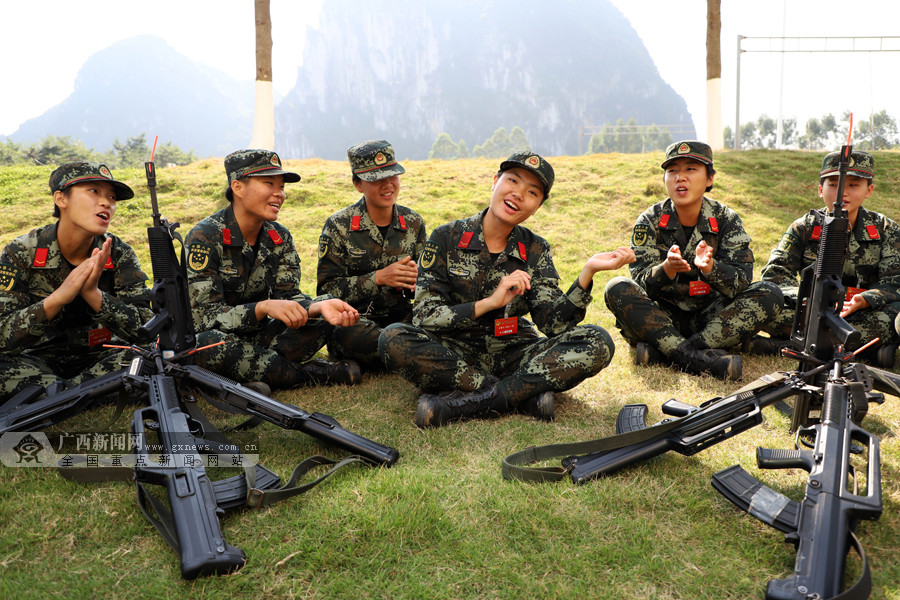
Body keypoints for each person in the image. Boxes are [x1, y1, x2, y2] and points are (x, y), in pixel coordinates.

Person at [379, 152, 634, 427]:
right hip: (453, 351)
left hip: (515, 352)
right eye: (512, 180)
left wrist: (587, 273)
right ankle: (520, 395)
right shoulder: (445, 237)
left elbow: (553, 324)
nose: (518, 194)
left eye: (532, 192)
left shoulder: (536, 249)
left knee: (597, 340)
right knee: (393, 338)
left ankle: (476, 399)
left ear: (538, 205)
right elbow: (426, 316)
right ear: (495, 181)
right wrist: (490, 302)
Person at [184, 149, 362, 392]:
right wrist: (262, 307)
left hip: (262, 340)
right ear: (237, 187)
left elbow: (288, 298)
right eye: (269, 183)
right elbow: (203, 318)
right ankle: (311, 375)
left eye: (281, 186)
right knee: (206, 345)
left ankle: (255, 373)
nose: (280, 194)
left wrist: (318, 306)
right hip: (222, 339)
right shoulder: (204, 237)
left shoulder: (279, 236)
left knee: (321, 322)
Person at [604, 140, 782, 381]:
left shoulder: (727, 219)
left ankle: (669, 353)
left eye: (690, 169)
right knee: (617, 287)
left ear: (709, 179)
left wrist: (712, 268)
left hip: (711, 320)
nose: (680, 178)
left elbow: (741, 283)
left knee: (769, 292)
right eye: (672, 171)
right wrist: (666, 269)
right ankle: (698, 358)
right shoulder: (649, 220)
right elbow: (640, 284)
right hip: (662, 319)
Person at [0, 162, 153, 402]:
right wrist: (59, 298)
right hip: (35, 362)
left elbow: (145, 329)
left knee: (149, 357)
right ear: (61, 199)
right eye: (93, 191)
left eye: (111, 197)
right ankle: (89, 393)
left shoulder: (118, 253)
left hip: (99, 359)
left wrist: (93, 294)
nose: (106, 203)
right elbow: (3, 333)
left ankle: (58, 395)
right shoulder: (22, 253)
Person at [757, 150, 900, 367]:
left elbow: (895, 280)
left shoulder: (886, 229)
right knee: (763, 308)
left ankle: (780, 347)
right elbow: (774, 275)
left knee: (894, 316)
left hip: (861, 314)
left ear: (869, 190)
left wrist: (865, 300)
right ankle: (867, 352)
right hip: (811, 314)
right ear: (819, 190)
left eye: (853, 185)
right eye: (833, 184)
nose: (842, 192)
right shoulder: (803, 227)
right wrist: (811, 299)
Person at [317, 140, 426, 372]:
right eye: (376, 179)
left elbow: (427, 285)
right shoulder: (339, 225)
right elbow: (326, 291)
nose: (388, 185)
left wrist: (416, 281)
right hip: (357, 321)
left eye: (393, 176)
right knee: (348, 334)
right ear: (358, 184)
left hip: (401, 317)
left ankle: (396, 352)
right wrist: (378, 278)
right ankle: (410, 352)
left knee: (434, 324)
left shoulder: (414, 223)